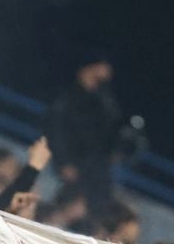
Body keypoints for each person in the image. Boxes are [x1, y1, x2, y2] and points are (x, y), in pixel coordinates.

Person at [44, 56, 123, 213]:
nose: (98, 81)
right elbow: (56, 128)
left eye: (103, 79)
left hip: (92, 168)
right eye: (95, 75)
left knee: (91, 208)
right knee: (63, 208)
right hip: (69, 166)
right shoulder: (67, 96)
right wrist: (63, 162)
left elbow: (109, 130)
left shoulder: (103, 102)